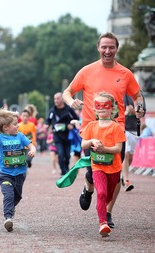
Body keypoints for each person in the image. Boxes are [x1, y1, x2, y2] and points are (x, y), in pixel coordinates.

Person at [63, 32, 144, 228]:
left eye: (112, 47)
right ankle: (88, 188)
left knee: (114, 175)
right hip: (91, 130)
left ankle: (107, 212)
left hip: (116, 130)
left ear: (116, 49)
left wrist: (140, 106)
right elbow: (67, 91)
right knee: (94, 171)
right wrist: (71, 101)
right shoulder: (87, 71)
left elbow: (137, 95)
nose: (108, 51)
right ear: (98, 48)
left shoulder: (125, 73)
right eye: (104, 47)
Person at [80, 92, 126, 237]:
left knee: (108, 195)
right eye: (97, 106)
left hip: (114, 168)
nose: (101, 108)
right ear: (94, 109)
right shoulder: (91, 126)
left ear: (112, 109)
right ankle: (103, 223)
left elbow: (118, 149)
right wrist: (92, 141)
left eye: (104, 105)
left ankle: (103, 208)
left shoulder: (116, 127)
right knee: (101, 193)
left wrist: (104, 149)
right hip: (97, 166)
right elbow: (83, 144)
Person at [0, 108, 36, 232]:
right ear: (6, 127)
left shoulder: (20, 136)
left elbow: (30, 145)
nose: (17, 125)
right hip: (5, 174)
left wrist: (32, 149)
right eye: (14, 124)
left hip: (20, 173)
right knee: (8, 194)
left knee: (17, 197)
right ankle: (8, 218)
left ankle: (10, 209)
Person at [45, 92, 79, 176]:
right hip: (57, 136)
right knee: (60, 153)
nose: (56, 101)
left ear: (62, 99)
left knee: (67, 155)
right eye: (55, 99)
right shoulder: (52, 111)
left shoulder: (68, 110)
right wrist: (46, 126)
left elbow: (76, 119)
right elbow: (48, 120)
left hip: (67, 136)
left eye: (58, 98)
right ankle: (63, 172)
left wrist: (71, 125)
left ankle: (66, 167)